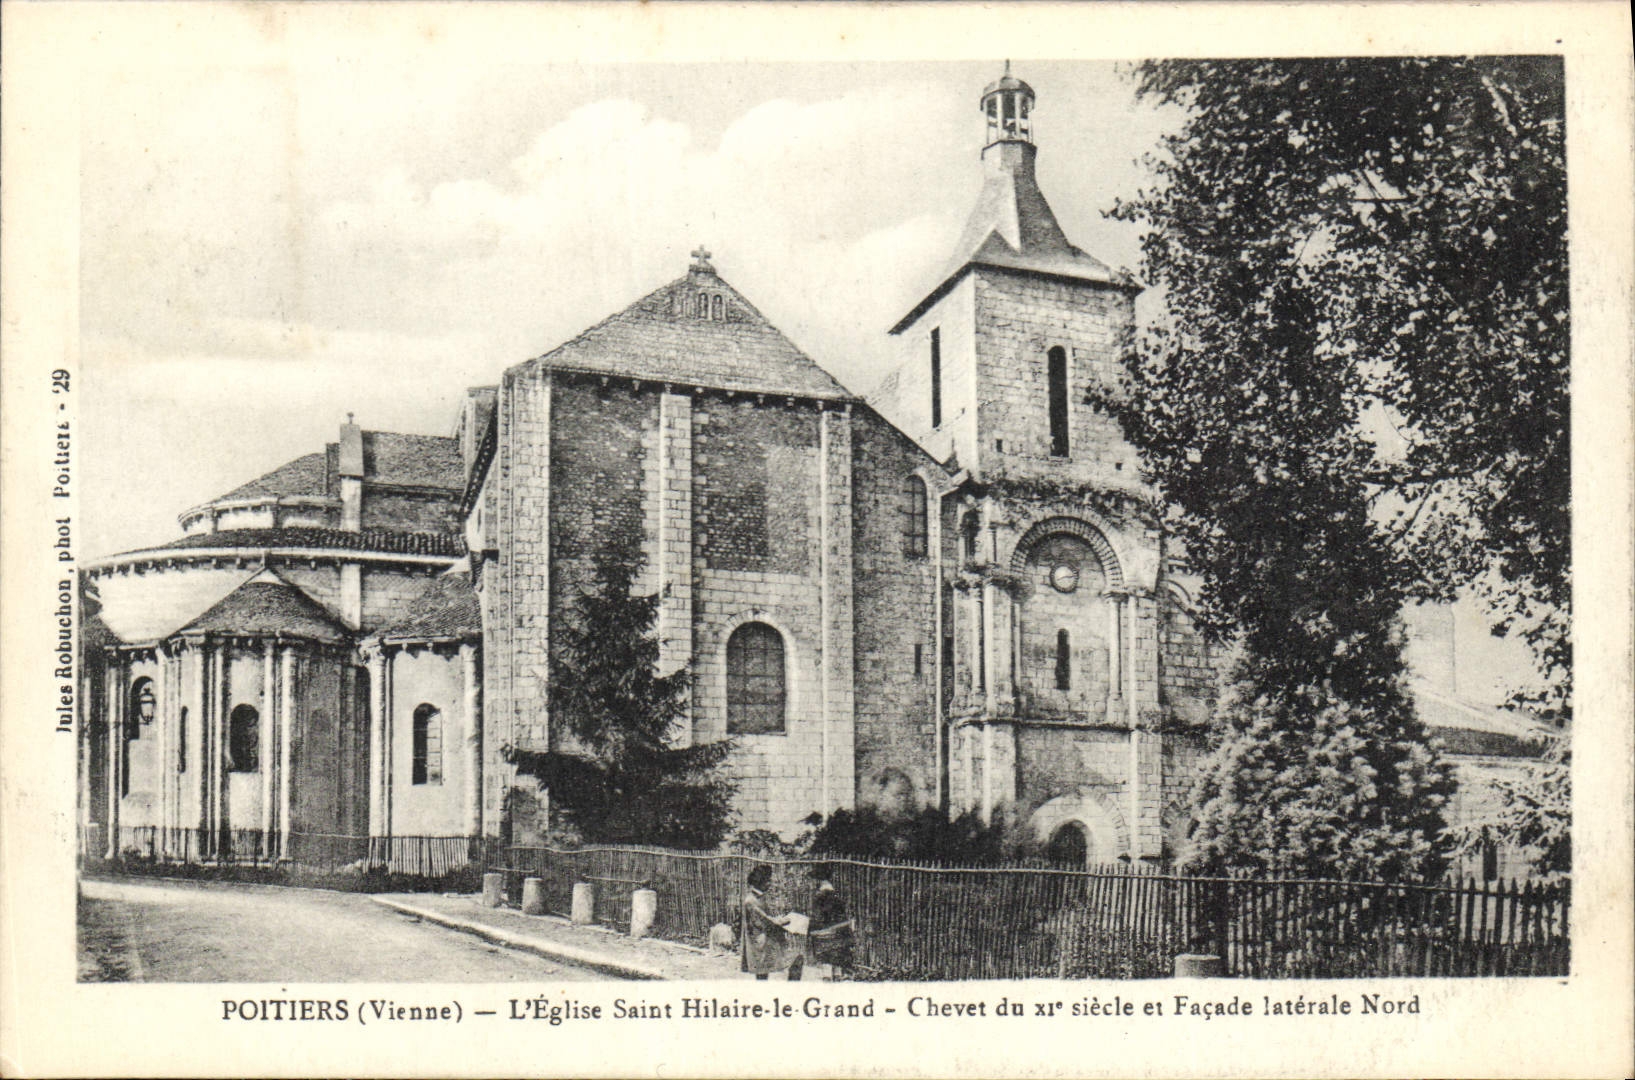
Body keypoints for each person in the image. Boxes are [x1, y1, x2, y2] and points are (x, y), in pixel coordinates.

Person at [741, 864, 802, 980]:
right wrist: (785, 921)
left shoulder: (758, 897)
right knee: (795, 959)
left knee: (763, 973)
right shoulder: (751, 900)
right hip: (761, 942)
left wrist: (777, 919)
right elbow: (765, 921)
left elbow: (766, 917)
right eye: (768, 881)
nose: (770, 884)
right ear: (760, 882)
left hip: (765, 940)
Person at [805, 863, 855, 980]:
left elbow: (818, 917)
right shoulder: (836, 895)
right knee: (837, 965)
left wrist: (811, 929)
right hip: (838, 933)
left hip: (825, 934)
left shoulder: (820, 896)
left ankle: (827, 984)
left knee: (826, 964)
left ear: (818, 880)